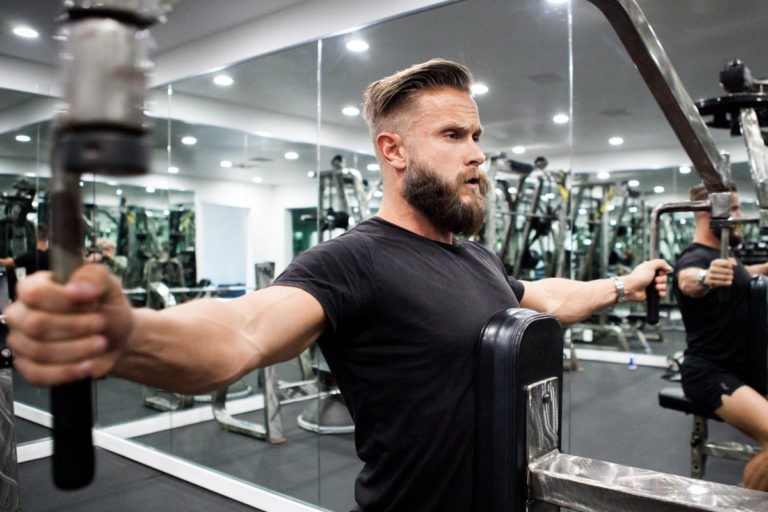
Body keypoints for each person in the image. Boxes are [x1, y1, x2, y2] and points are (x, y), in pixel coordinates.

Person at [5, 59, 671, 511]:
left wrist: (627, 284)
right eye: (452, 135)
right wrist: (126, 335)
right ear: (394, 151)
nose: (476, 154)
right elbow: (240, 331)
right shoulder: (353, 260)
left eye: (477, 136)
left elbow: (550, 300)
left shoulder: (478, 260)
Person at [674, 184, 768, 492]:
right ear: (707, 212)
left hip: (743, 369)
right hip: (709, 373)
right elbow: (688, 279)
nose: (740, 218)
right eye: (736, 209)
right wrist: (704, 278)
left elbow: (743, 273)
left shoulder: (726, 254)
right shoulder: (696, 258)